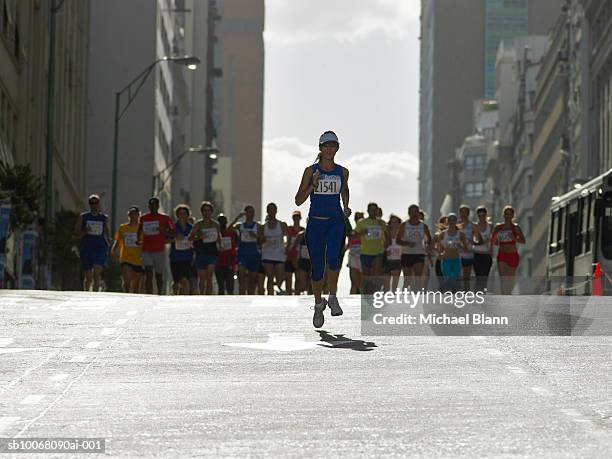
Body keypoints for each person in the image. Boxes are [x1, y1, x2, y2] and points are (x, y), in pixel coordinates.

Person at [294, 130, 351, 328]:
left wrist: (346, 206)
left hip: (335, 222)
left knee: (334, 259)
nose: (329, 149)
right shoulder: (311, 171)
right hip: (316, 224)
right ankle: (319, 304)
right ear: (320, 148)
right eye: (326, 145)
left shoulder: (343, 171)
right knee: (317, 269)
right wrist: (313, 185)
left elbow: (344, 190)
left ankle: (333, 296)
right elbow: (298, 200)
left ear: (337, 148)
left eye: (333, 145)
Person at [138, 197, 175, 295]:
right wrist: (138, 239)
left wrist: (164, 231)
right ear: (148, 206)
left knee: (159, 274)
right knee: (148, 273)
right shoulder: (143, 218)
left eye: (155, 205)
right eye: (151, 205)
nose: (153, 207)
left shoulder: (166, 218)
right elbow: (140, 229)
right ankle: (149, 295)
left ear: (158, 206)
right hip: (147, 250)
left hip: (159, 250)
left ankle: (159, 293)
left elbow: (173, 231)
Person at [75, 194, 111, 291]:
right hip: (86, 248)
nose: (94, 205)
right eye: (92, 203)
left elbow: (107, 232)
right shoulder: (83, 217)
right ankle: (86, 292)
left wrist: (109, 242)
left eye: (96, 203)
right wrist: (84, 231)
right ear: (89, 204)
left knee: (97, 274)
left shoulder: (104, 218)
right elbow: (76, 233)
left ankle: (95, 294)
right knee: (88, 277)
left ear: (99, 204)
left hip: (100, 248)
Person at [490, 205, 526, 294]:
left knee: (510, 278)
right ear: (503, 215)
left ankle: (508, 294)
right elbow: (493, 242)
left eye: (510, 214)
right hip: (502, 255)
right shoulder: (499, 227)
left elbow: (523, 241)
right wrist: (495, 234)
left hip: (513, 255)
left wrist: (514, 238)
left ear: (513, 216)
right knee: (503, 278)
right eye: (506, 214)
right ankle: (503, 295)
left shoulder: (515, 227)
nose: (508, 216)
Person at [189, 201, 221, 295]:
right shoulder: (198, 224)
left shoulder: (216, 224)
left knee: (209, 276)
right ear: (202, 212)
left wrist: (221, 245)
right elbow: (190, 238)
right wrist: (199, 237)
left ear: (211, 212)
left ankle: (209, 298)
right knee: (202, 278)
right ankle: (201, 295)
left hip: (212, 252)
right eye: (204, 211)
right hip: (201, 252)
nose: (206, 213)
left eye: (208, 211)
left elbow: (219, 237)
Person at [397, 204, 432, 291]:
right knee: (407, 280)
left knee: (418, 276)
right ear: (409, 213)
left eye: (415, 212)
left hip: (419, 253)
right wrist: (407, 243)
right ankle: (405, 291)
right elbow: (398, 240)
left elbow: (429, 239)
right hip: (406, 254)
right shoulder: (404, 225)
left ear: (418, 213)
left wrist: (428, 246)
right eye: (412, 212)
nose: (414, 214)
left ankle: (417, 295)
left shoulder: (423, 226)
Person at [355, 202, 386, 294]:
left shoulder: (381, 223)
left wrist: (386, 243)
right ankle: (365, 293)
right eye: (371, 209)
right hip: (365, 252)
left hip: (378, 253)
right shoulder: (362, 222)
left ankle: (375, 293)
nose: (373, 211)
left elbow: (387, 236)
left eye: (375, 209)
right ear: (368, 211)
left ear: (377, 211)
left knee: (375, 274)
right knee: (366, 275)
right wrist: (361, 233)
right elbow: (355, 236)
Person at [111, 205, 143, 293]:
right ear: (129, 215)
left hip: (139, 259)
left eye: (135, 214)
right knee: (127, 281)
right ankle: (126, 295)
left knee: (136, 286)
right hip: (126, 258)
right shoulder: (123, 228)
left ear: (138, 215)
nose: (133, 216)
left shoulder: (142, 228)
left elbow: (147, 243)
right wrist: (113, 252)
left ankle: (134, 302)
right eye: (132, 214)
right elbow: (117, 241)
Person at [260, 202, 289, 295]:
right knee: (270, 277)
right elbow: (260, 240)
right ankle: (270, 295)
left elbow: (288, 236)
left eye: (273, 209)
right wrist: (263, 240)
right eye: (270, 209)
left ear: (276, 211)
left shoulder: (282, 224)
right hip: (267, 254)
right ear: (267, 211)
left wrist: (287, 247)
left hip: (279, 254)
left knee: (280, 277)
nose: (271, 211)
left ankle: (277, 289)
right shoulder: (263, 227)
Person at [436, 213, 468, 292]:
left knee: (455, 280)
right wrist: (440, 253)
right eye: (450, 219)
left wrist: (460, 246)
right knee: (448, 279)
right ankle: (446, 296)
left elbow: (466, 248)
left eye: (454, 219)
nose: (452, 221)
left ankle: (454, 297)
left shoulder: (461, 234)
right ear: (447, 221)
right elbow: (438, 245)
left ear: (456, 221)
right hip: (446, 260)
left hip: (456, 259)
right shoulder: (443, 234)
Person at [234, 205, 261, 295]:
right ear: (245, 213)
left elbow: (262, 240)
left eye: (253, 212)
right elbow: (228, 229)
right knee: (241, 278)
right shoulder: (240, 226)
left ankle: (251, 297)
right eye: (249, 212)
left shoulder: (257, 226)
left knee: (252, 280)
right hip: (242, 254)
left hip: (253, 254)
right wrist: (238, 217)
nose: (251, 214)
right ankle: (242, 297)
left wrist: (256, 236)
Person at [169, 204, 193, 295]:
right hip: (175, 257)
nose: (182, 216)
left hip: (187, 257)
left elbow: (197, 239)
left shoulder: (192, 228)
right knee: (176, 281)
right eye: (180, 214)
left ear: (188, 215)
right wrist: (174, 238)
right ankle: (175, 295)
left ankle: (185, 298)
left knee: (185, 279)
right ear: (177, 215)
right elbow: (165, 239)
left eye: (184, 214)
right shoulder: (173, 228)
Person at [458, 205, 482, 291]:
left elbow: (479, 241)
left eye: (465, 212)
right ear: (459, 213)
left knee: (466, 277)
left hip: (468, 254)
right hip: (456, 254)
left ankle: (466, 295)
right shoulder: (456, 225)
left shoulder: (473, 226)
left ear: (468, 213)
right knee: (456, 277)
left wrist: (473, 242)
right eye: (462, 212)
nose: (463, 214)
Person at [216, 214, 239, 294]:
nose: (222, 223)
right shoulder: (215, 234)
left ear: (226, 222)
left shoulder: (232, 233)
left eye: (223, 221)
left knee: (230, 288)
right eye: (220, 222)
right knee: (221, 287)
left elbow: (237, 245)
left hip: (230, 263)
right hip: (218, 264)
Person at [473, 206, 494, 291]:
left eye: (483, 215)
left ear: (486, 215)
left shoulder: (491, 226)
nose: (481, 218)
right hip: (476, 254)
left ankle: (483, 295)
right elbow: (471, 240)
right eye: (480, 216)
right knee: (478, 277)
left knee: (485, 278)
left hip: (487, 255)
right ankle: (477, 295)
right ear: (477, 216)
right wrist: (479, 241)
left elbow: (493, 240)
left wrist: (491, 249)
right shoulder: (474, 226)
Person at [285, 211, 304, 295]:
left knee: (298, 280)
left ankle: (297, 296)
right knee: (288, 280)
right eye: (295, 217)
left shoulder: (303, 230)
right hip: (289, 257)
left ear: (300, 218)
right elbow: (287, 242)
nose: (296, 219)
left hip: (299, 257)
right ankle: (288, 296)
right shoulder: (289, 229)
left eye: (298, 217)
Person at [346, 212, 364, 294]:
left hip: (363, 257)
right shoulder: (352, 232)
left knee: (362, 282)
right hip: (353, 257)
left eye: (361, 218)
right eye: (357, 218)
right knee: (353, 282)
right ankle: (352, 300)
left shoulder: (366, 231)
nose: (358, 220)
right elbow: (349, 241)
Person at [384, 214, 402, 291]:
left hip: (398, 259)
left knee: (395, 282)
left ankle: (393, 297)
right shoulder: (385, 233)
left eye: (396, 222)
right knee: (386, 282)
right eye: (392, 222)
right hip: (387, 260)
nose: (394, 224)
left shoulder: (402, 234)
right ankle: (385, 297)